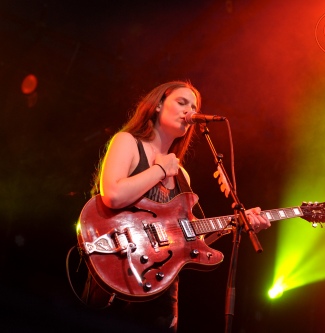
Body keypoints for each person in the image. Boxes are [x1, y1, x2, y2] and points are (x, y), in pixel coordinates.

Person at [81, 81, 270, 332]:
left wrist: (238, 223)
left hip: (162, 293)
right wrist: (160, 169)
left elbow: (188, 242)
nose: (189, 111)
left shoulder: (182, 176)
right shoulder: (128, 142)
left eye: (193, 106)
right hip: (119, 274)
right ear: (158, 105)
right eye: (182, 103)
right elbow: (113, 196)